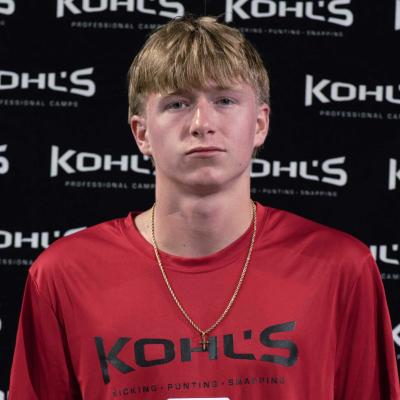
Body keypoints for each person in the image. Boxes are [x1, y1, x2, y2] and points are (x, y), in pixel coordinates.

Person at [9, 15, 400, 400]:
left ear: (260, 124)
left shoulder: (340, 268)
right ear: (142, 133)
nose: (202, 123)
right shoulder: (64, 275)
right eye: (177, 103)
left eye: (224, 100)